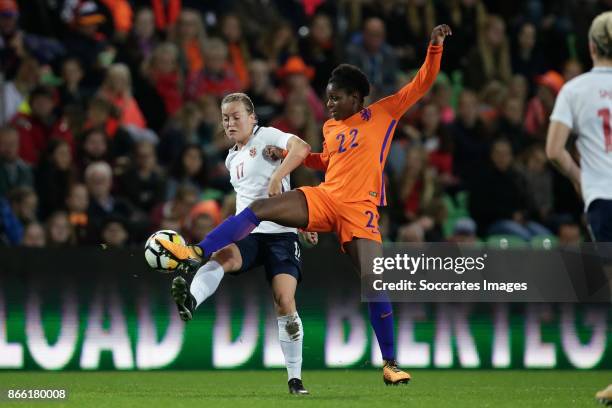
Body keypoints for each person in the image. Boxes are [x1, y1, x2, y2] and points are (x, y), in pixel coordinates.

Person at [157, 24, 451, 385]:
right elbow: (326, 162)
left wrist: (434, 47)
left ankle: (390, 364)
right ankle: (198, 252)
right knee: (261, 208)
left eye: (335, 98)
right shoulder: (331, 128)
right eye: (327, 98)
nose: (328, 105)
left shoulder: (383, 114)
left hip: (360, 211)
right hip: (327, 198)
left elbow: (422, 82)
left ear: (356, 98)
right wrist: (288, 155)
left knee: (374, 282)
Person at [167, 93, 314, 395]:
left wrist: (281, 181)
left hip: (282, 235)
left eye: (236, 116)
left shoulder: (268, 135)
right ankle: (191, 301)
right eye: (225, 118)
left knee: (284, 301)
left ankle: (295, 378)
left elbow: (302, 148)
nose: (230, 123)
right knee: (223, 257)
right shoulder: (231, 158)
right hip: (249, 233)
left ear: (252, 118)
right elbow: (243, 201)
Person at [544, 11, 612, 405]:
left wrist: (579, 177)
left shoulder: (575, 89)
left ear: (590, 46)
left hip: (604, 199)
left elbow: (554, 150)